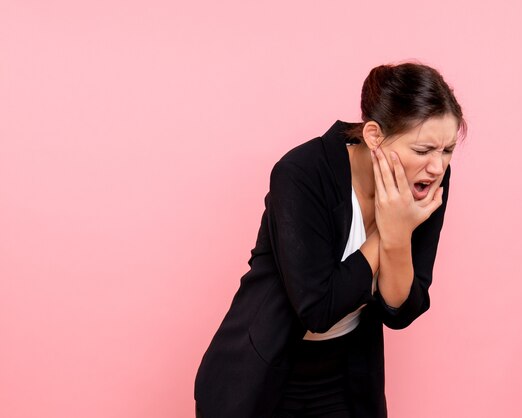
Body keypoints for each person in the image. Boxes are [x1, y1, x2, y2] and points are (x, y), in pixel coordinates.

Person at [194, 61, 467, 418]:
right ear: (374, 136)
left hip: (345, 377)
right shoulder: (302, 173)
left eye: (447, 151)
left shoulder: (428, 182)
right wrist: (388, 230)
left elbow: (401, 311)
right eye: (423, 150)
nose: (437, 167)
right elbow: (317, 309)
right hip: (261, 375)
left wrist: (399, 238)